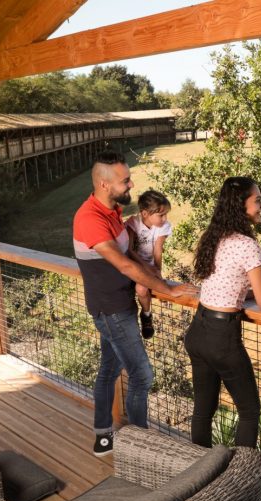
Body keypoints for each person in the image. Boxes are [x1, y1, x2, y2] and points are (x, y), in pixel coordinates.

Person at [73, 151, 197, 457]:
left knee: (108, 369)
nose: (131, 184)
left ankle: (104, 436)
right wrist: (168, 288)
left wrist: (153, 273)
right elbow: (125, 266)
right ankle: (140, 447)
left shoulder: (112, 211)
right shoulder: (90, 218)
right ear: (104, 184)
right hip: (112, 309)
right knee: (142, 375)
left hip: (119, 304)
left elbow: (128, 255)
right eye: (125, 180)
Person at [184, 176, 261, 449]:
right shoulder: (247, 245)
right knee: (250, 412)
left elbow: (230, 285)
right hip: (222, 339)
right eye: (257, 200)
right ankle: (242, 480)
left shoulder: (215, 236)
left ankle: (201, 474)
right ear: (241, 205)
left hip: (199, 330)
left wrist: (257, 292)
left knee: (203, 411)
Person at [125, 190, 173, 339]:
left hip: (149, 268)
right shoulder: (133, 223)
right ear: (145, 214)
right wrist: (147, 267)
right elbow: (130, 250)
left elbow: (158, 250)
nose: (165, 218)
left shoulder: (163, 227)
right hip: (133, 264)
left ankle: (146, 315)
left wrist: (157, 272)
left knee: (142, 288)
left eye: (166, 214)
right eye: (161, 215)